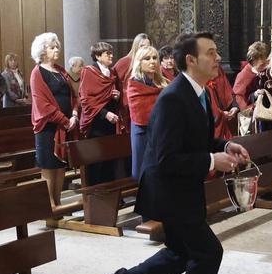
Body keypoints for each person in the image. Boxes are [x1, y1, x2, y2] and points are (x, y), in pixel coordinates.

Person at [102, 32, 251, 274]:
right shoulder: (172, 98)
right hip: (168, 191)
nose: (217, 58)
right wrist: (212, 161)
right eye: (210, 53)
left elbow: (198, 140)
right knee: (208, 252)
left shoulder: (198, 93)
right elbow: (168, 158)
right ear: (191, 60)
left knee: (181, 253)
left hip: (183, 189)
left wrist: (227, 144)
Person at [29, 32, 77, 210]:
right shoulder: (38, 72)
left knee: (60, 166)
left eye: (57, 46)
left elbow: (73, 95)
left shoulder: (61, 70)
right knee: (49, 166)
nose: (57, 49)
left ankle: (58, 203)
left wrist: (74, 113)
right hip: (48, 127)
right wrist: (65, 120)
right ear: (42, 51)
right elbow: (43, 105)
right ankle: (48, 206)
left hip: (65, 125)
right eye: (52, 47)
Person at [78, 41, 124, 184]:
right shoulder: (89, 71)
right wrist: (105, 114)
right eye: (107, 54)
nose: (111, 56)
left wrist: (116, 97)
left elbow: (108, 96)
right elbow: (86, 99)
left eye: (111, 53)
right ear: (98, 56)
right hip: (96, 121)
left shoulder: (111, 72)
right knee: (97, 161)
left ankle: (110, 193)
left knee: (110, 158)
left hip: (110, 121)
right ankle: (96, 193)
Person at [127, 44, 169, 180]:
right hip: (144, 135)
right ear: (139, 62)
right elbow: (141, 114)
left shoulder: (163, 82)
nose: (152, 61)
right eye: (147, 58)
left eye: (155, 58)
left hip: (163, 135)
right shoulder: (135, 84)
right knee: (146, 176)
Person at [233, 41, 269, 136]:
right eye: (258, 60)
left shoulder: (267, 70)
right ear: (252, 60)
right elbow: (239, 97)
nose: (263, 63)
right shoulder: (243, 75)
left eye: (264, 59)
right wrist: (251, 109)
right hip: (252, 116)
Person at [208, 66, 238, 141]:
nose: (219, 58)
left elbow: (227, 89)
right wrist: (221, 114)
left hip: (226, 120)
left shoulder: (217, 68)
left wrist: (234, 106)